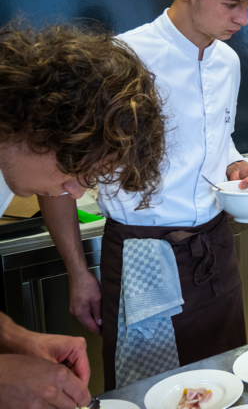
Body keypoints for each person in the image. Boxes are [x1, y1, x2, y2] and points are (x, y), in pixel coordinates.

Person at [38, 0, 248, 390]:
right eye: (232, 3)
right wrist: (78, 273)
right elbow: (56, 176)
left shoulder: (227, 62)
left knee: (226, 384)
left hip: (215, 250)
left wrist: (234, 164)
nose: (243, 20)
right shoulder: (121, 60)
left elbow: (217, 142)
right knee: (151, 393)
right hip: (143, 256)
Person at [0, 22, 167, 408]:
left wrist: (14, 338)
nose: (74, 192)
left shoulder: (11, 172)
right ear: (37, 123)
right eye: (75, 170)